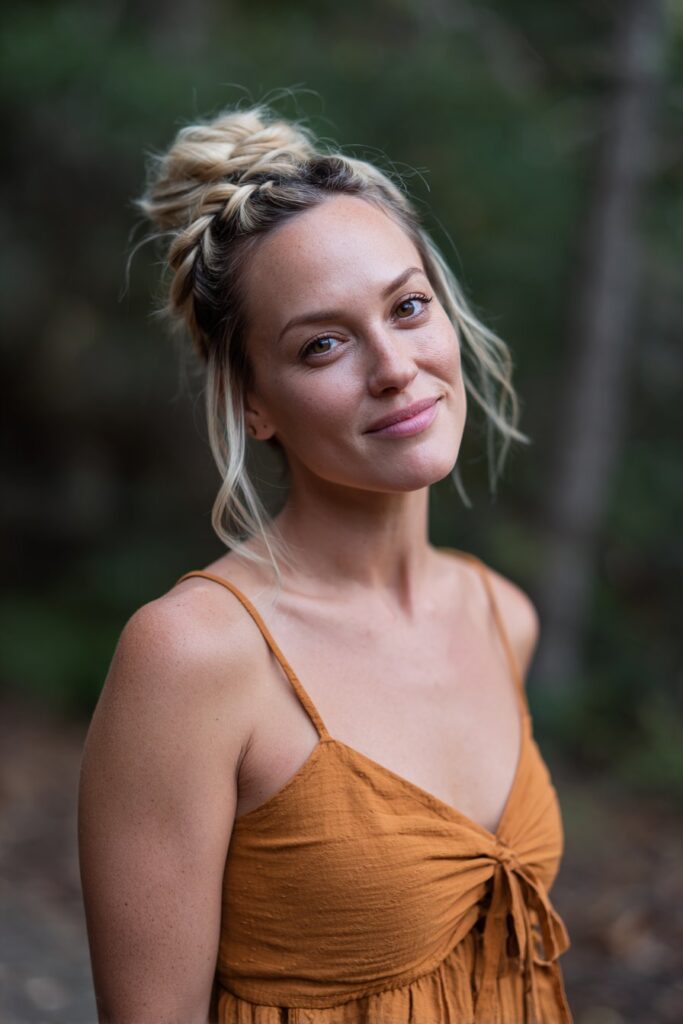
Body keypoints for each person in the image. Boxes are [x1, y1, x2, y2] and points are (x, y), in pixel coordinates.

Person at [78, 102, 573, 1024]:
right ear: (253, 403)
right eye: (323, 344)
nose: (393, 366)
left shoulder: (501, 614)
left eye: (408, 307)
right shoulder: (194, 658)